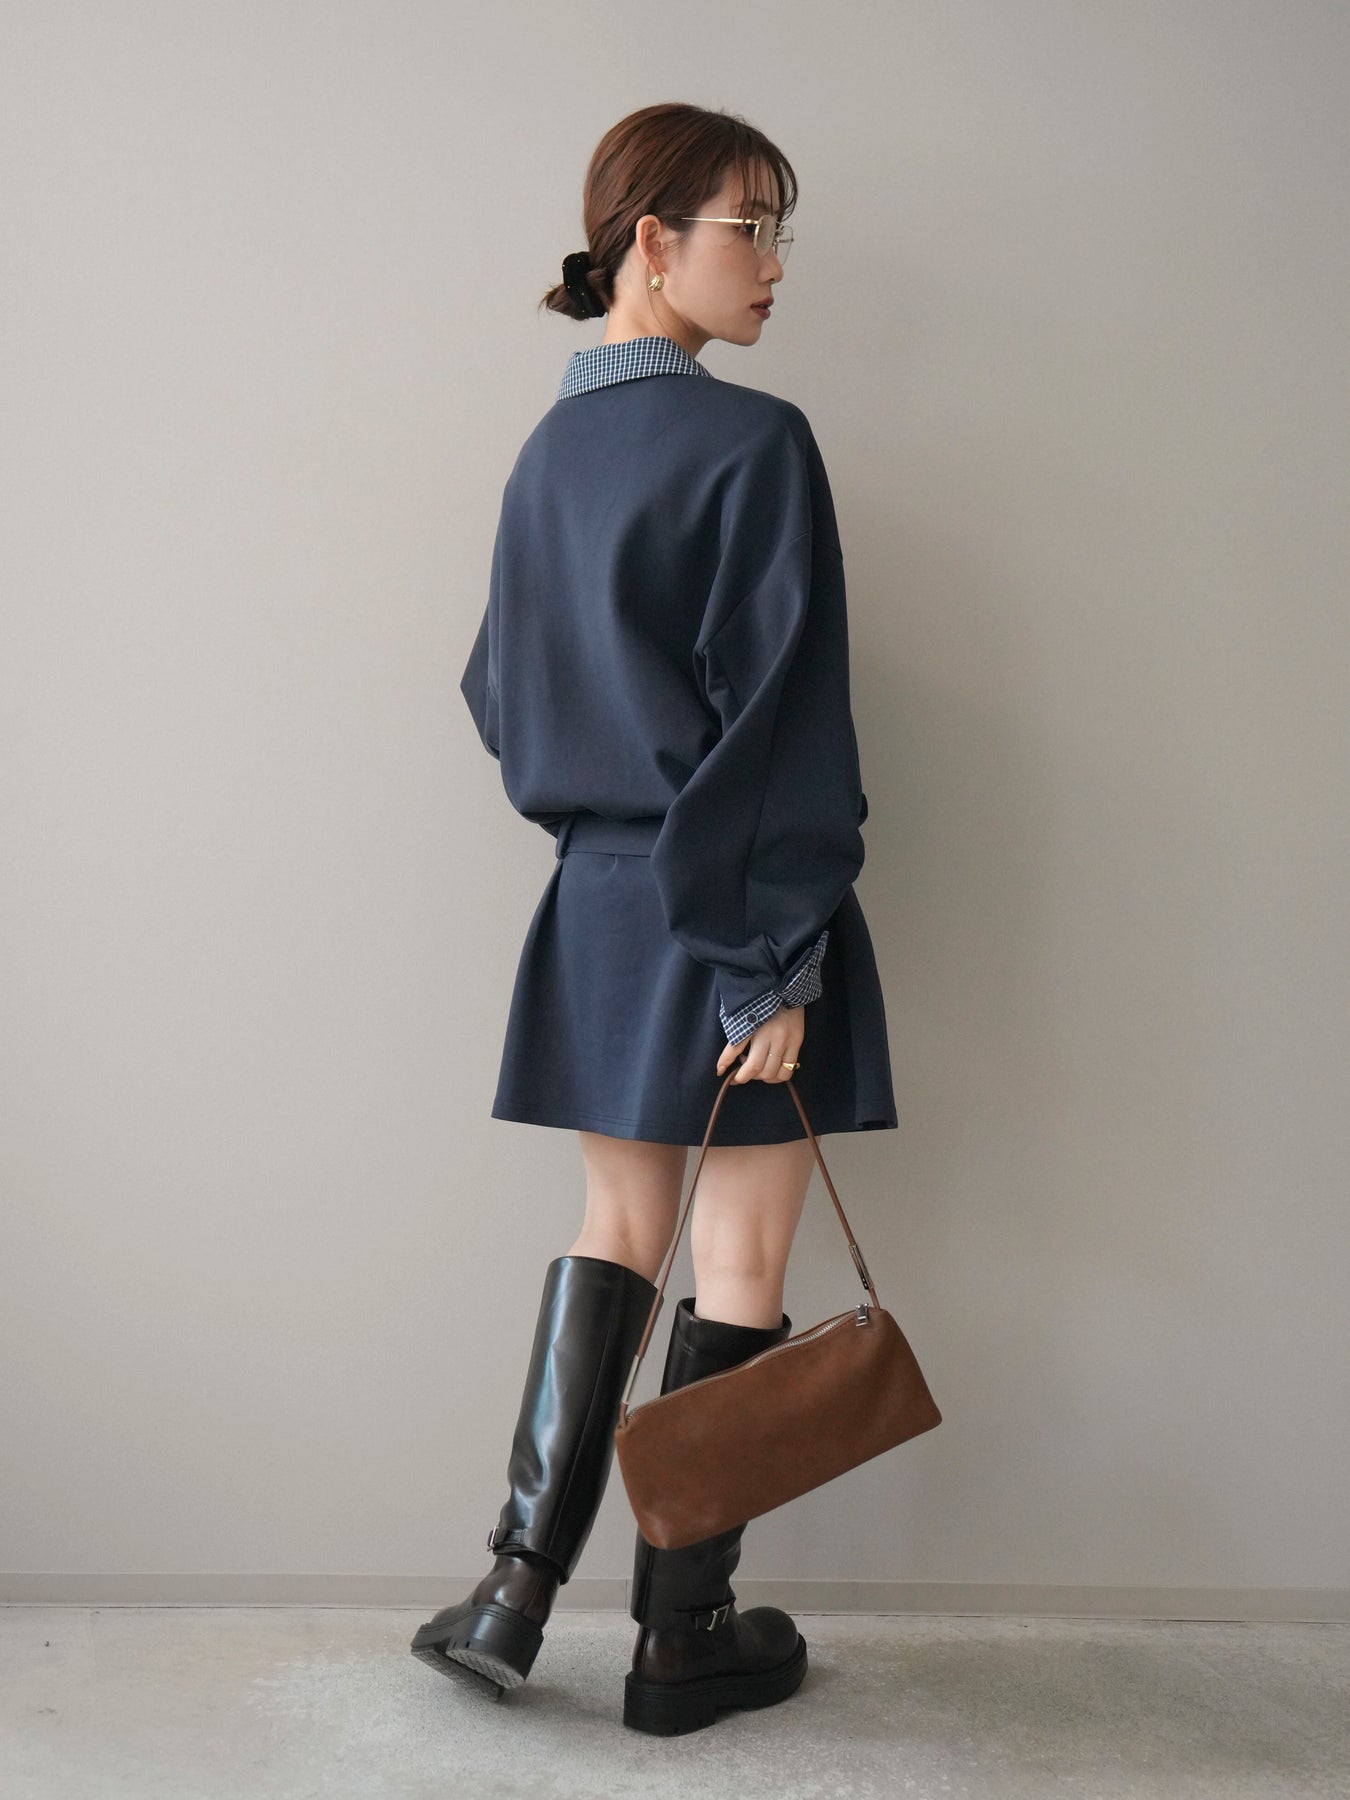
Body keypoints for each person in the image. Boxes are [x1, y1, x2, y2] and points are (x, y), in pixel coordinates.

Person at [411, 101, 897, 1737]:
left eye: (775, 232)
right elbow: (782, 719)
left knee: (611, 1230)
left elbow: (499, 693)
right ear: (652, 240)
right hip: (737, 903)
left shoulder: (545, 454)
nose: (773, 266)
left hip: (603, 911)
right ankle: (682, 1642)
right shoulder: (752, 442)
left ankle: (510, 1590)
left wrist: (603, 823)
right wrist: (775, 955)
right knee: (738, 1250)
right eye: (749, 228)